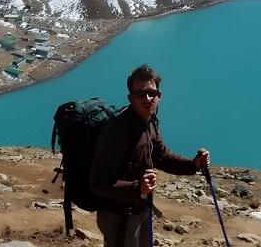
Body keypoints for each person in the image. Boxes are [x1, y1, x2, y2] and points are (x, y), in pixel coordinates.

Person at [90, 64, 210, 247]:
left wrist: (194, 164)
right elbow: (98, 183)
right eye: (140, 95)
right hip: (118, 216)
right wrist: (138, 188)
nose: (147, 99)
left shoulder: (149, 123)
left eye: (152, 93)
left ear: (159, 95)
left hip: (140, 208)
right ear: (131, 98)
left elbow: (163, 157)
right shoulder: (117, 130)